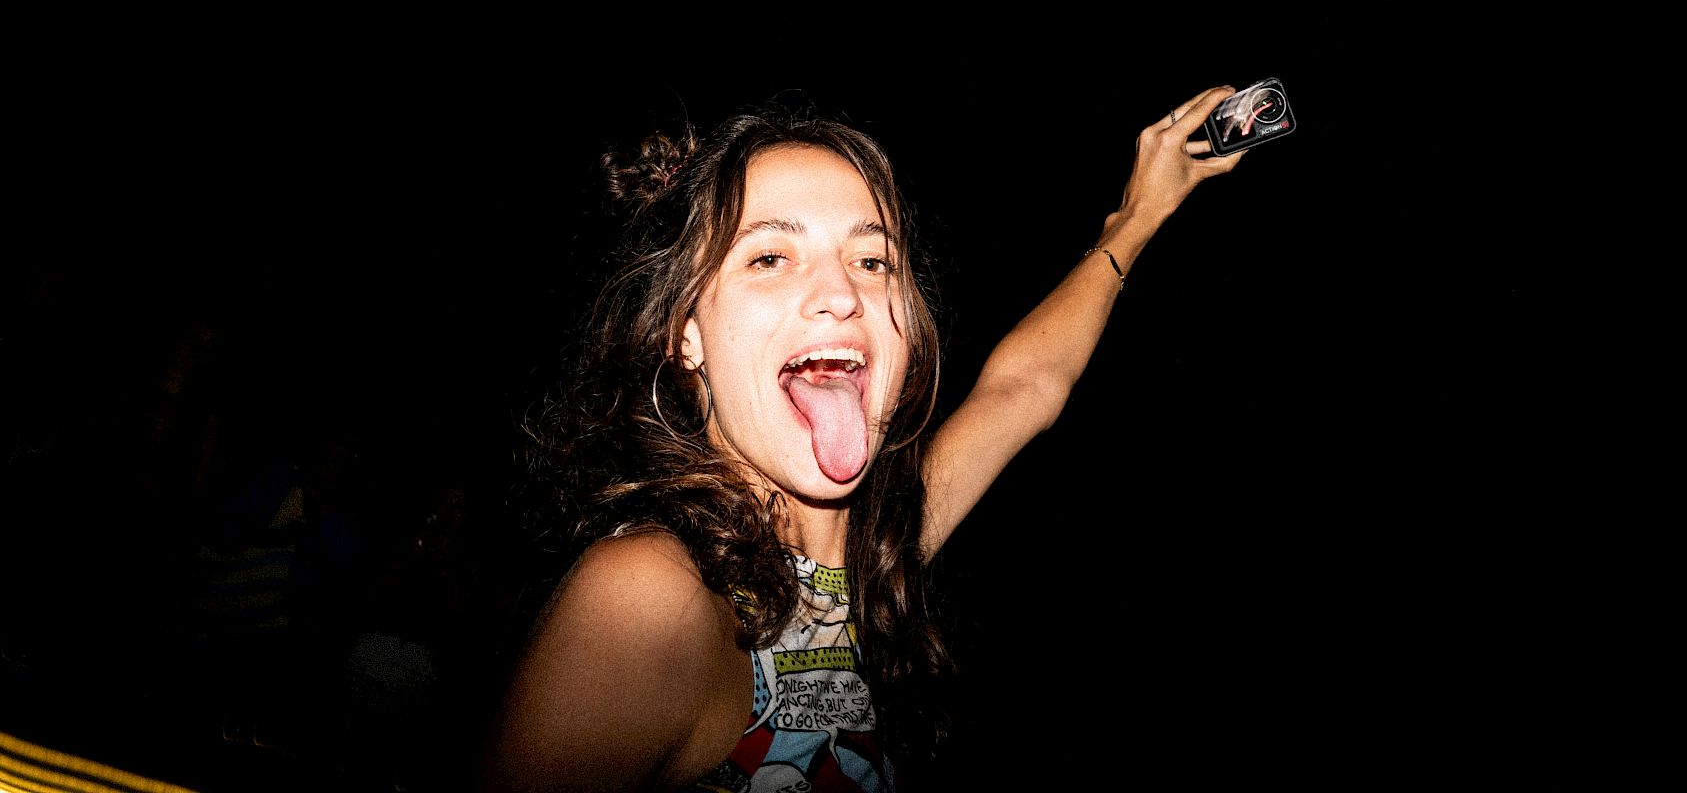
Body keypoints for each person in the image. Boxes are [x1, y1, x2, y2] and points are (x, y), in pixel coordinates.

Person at [477, 84, 1252, 792]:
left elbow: (1023, 389)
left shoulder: (873, 555)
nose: (842, 293)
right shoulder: (651, 597)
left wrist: (1139, 215)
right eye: (771, 257)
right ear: (687, 334)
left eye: (872, 259)